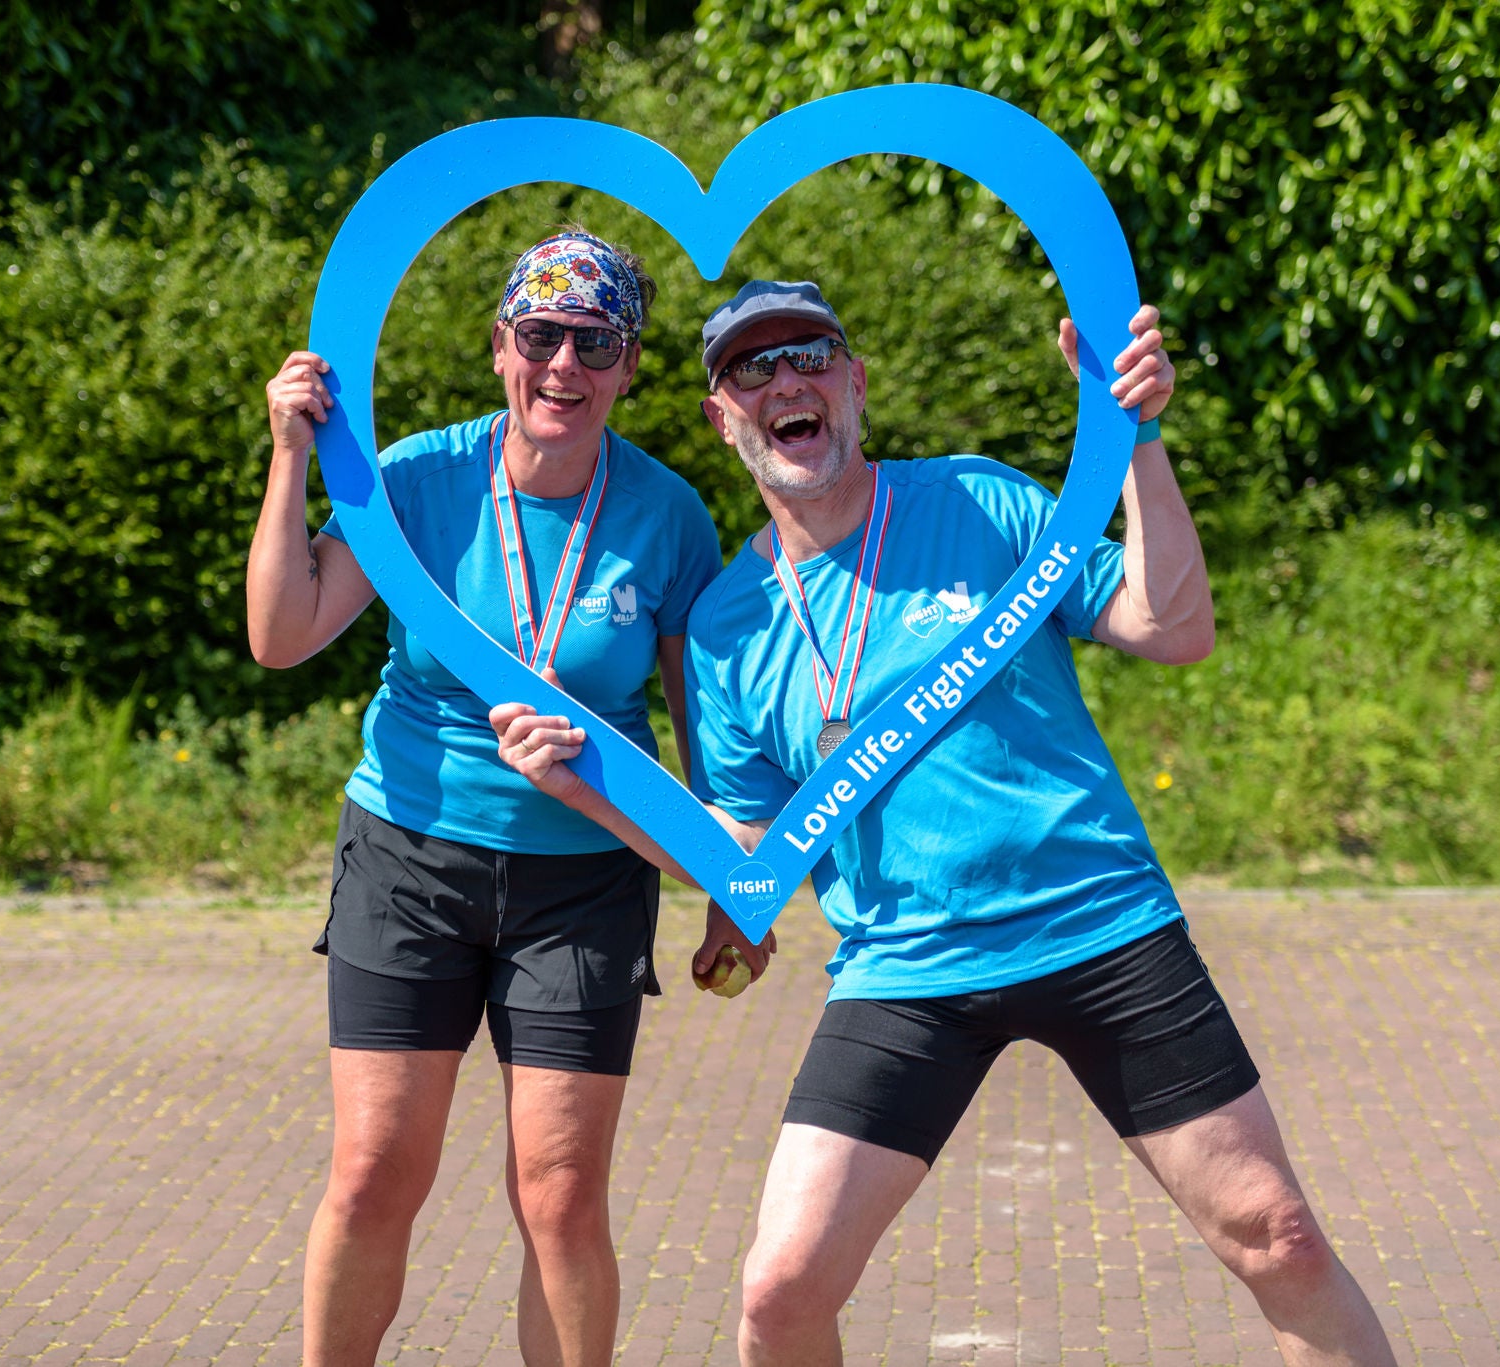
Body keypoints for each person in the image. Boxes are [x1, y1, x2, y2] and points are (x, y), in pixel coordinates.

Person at [491, 279, 1399, 1365]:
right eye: (750, 368)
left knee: (1278, 1238)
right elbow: (748, 862)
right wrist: (594, 788)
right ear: (719, 417)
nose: (786, 380)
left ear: (855, 384)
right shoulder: (728, 624)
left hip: (1098, 925)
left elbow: (1170, 625)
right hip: (906, 969)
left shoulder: (980, 502)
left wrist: (1136, 442)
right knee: (779, 1291)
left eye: (811, 355)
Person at [246, 229, 741, 1367]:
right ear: (498, 347)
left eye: (594, 342)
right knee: (373, 1171)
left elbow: (697, 731)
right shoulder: (413, 476)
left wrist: (730, 885)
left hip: (583, 880)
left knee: (559, 1193)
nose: (562, 364)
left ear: (626, 366)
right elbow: (280, 635)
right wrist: (288, 456)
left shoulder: (667, 516)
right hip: (409, 857)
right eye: (540, 335)